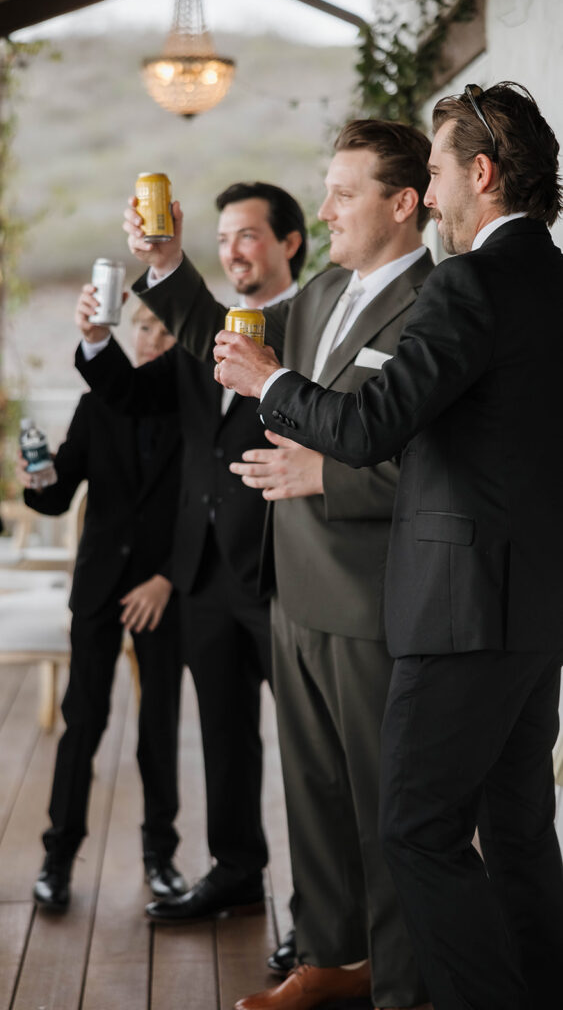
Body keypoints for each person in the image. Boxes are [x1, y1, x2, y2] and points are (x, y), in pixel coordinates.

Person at [213, 82, 563, 1010]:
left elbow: (369, 427)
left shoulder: (469, 281)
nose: (434, 188)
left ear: (479, 176)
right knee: (520, 831)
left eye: (440, 170)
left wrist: (269, 380)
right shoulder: (555, 278)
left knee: (413, 831)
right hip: (537, 609)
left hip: (456, 612)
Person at [123, 122, 434, 1010]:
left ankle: (399, 983)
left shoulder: (438, 303)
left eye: (343, 193)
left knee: (386, 813)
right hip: (292, 587)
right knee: (312, 797)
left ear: (402, 203)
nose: (325, 208)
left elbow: (438, 462)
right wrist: (168, 262)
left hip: (371, 599)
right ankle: (331, 957)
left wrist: (323, 473)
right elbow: (229, 343)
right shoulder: (328, 285)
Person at [76, 182, 307, 923]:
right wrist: (93, 340)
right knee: (224, 740)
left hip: (282, 573)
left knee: (310, 754)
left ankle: (320, 912)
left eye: (249, 235)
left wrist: (166, 264)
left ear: (289, 244)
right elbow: (132, 396)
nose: (234, 250)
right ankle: (236, 870)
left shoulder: (313, 324)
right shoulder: (203, 340)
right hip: (203, 571)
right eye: (226, 237)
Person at [21, 303, 186, 911]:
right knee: (81, 722)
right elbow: (59, 493)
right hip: (98, 586)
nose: (151, 340)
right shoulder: (99, 401)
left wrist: (167, 578)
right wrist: (36, 481)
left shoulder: (192, 405)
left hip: (164, 592)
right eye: (143, 328)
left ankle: (161, 856)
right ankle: (57, 857)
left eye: (165, 332)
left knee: (159, 727)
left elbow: (204, 510)